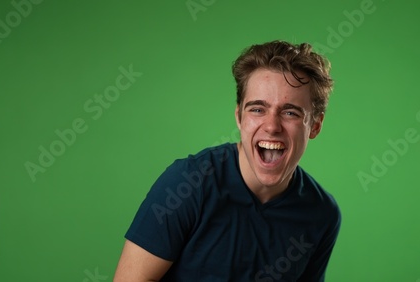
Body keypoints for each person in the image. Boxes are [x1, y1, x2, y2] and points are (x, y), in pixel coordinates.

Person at [113, 40, 341, 282]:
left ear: (315, 125)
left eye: (290, 112)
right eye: (257, 109)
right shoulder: (187, 184)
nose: (272, 126)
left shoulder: (322, 214)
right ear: (239, 117)